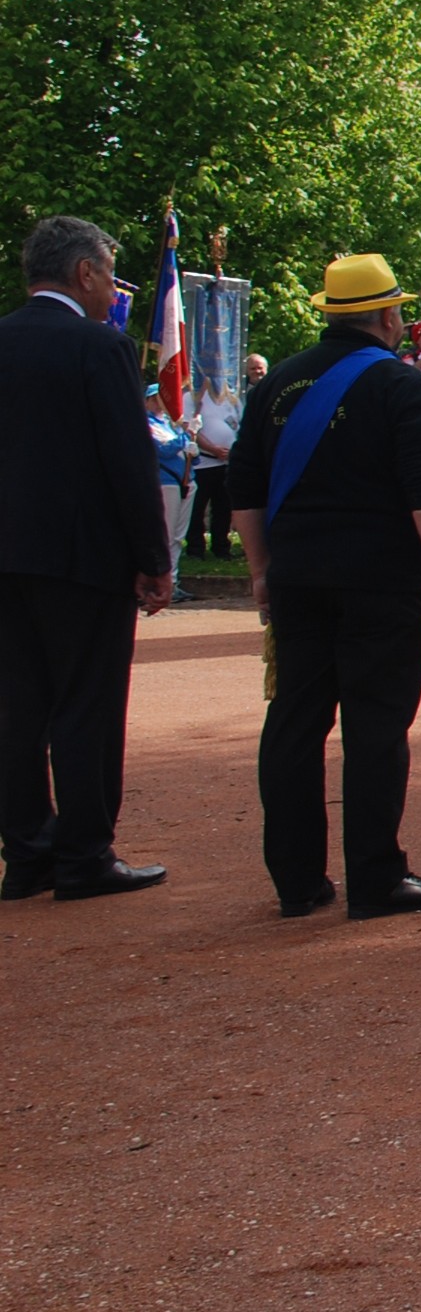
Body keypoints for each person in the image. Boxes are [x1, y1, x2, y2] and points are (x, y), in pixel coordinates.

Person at [226, 252, 421, 919]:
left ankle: (297, 881)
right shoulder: (403, 388)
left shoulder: (276, 385)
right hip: (380, 582)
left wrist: (259, 571)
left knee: (294, 726)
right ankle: (375, 876)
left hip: (297, 576)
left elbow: (243, 490)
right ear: (389, 317)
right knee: (377, 728)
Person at [0, 216, 171, 902]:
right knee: (86, 706)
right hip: (83, 557)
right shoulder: (99, 347)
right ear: (83, 274)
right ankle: (84, 855)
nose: (110, 288)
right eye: (106, 272)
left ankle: (25, 854)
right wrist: (154, 557)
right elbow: (129, 462)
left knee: (15, 709)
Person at [147, 383, 196, 600]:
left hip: (185, 481)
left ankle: (174, 580)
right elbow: (163, 451)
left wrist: (191, 450)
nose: (160, 402)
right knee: (165, 534)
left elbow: (182, 450)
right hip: (165, 481)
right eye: (156, 398)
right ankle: (161, 580)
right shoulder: (146, 424)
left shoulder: (170, 425)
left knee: (177, 536)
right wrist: (187, 435)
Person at [185, 375, 239, 561]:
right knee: (197, 508)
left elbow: (240, 424)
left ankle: (221, 547)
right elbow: (190, 428)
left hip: (226, 463)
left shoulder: (231, 397)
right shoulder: (192, 397)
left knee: (223, 508)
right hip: (203, 463)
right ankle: (195, 549)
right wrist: (213, 449)